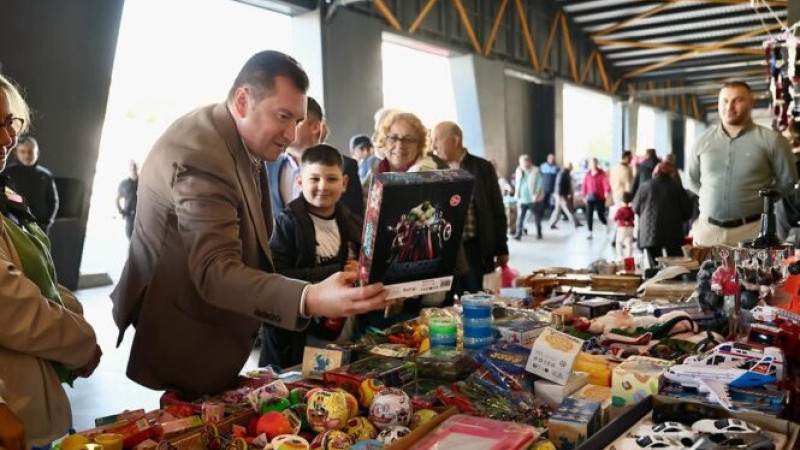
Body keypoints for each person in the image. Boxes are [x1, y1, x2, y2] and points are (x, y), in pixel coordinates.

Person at [111, 50, 387, 397]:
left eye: (297, 121)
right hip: (187, 327)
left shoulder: (235, 136)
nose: (291, 134)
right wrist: (311, 297)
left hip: (223, 325)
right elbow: (215, 270)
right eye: (283, 116)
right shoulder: (201, 155)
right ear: (243, 101)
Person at [0, 74, 101, 449]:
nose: (10, 139)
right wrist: (83, 341)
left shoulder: (5, 194)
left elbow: (34, 277)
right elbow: (16, 309)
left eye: (11, 124)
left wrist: (72, 313)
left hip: (34, 398)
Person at [260, 144, 362, 368]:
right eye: (314, 178)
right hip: (296, 342)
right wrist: (335, 271)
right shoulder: (286, 223)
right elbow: (275, 276)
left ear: (344, 183)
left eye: (331, 179)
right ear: (299, 181)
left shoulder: (354, 224)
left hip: (343, 336)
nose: (323, 186)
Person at [687, 81, 797, 247]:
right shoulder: (702, 141)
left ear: (751, 102)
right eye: (724, 101)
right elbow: (692, 180)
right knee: (703, 274)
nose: (729, 106)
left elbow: (788, 181)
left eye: (737, 100)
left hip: (753, 232)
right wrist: (711, 199)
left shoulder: (772, 141)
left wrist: (763, 199)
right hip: (707, 233)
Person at [430, 121, 509, 295]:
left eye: (437, 139)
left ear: (456, 140)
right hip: (444, 250)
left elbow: (497, 209)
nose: (433, 146)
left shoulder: (482, 168)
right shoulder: (431, 169)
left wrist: (502, 248)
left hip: (474, 250)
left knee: (477, 298)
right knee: (446, 302)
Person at [267, 97, 362, 215]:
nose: (286, 128)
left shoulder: (345, 166)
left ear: (315, 127)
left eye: (296, 122)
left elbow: (354, 220)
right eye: (284, 120)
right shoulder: (268, 165)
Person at [633, 162, 692, 265]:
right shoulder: (677, 187)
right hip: (673, 235)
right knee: (675, 268)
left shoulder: (644, 186)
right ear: (670, 174)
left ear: (654, 173)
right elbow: (687, 211)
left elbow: (635, 208)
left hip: (649, 234)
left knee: (653, 268)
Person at [3, 136, 59, 233]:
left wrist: (47, 222)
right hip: (12, 227)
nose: (27, 155)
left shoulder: (46, 175)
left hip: (39, 228)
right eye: (23, 151)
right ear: (16, 153)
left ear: (37, 153)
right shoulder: (7, 173)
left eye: (30, 151)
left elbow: (53, 202)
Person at [513, 155, 543, 240]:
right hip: (522, 198)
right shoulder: (519, 171)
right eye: (523, 162)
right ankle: (518, 234)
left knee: (536, 217)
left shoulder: (535, 170)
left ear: (530, 162)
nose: (525, 163)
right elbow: (517, 183)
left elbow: (539, 183)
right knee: (520, 217)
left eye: (526, 161)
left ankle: (539, 233)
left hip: (532, 198)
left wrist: (537, 194)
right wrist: (517, 194)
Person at [581, 158, 611, 239]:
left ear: (596, 164)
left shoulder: (601, 173)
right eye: (591, 164)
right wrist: (583, 195)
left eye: (594, 163)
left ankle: (604, 224)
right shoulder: (588, 174)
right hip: (590, 197)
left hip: (600, 197)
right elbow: (584, 185)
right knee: (589, 214)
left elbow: (605, 182)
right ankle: (590, 232)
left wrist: (606, 191)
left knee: (600, 214)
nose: (593, 165)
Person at [548, 162, 582, 229]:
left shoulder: (564, 173)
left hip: (559, 194)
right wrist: (562, 194)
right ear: (568, 167)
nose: (572, 168)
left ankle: (551, 224)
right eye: (571, 166)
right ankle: (576, 223)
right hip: (561, 195)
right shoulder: (563, 173)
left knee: (557, 210)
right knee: (568, 209)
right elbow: (560, 184)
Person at [116, 160, 139, 239]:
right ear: (128, 168)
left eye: (134, 166)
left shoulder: (142, 182)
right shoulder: (124, 183)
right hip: (129, 217)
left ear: (137, 167)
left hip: (141, 216)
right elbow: (117, 200)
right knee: (130, 238)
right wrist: (122, 212)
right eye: (131, 166)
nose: (133, 167)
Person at [613, 192, 635, 260]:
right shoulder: (631, 209)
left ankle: (620, 257)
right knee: (629, 242)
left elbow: (615, 218)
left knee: (619, 242)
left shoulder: (620, 210)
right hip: (630, 227)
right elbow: (633, 218)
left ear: (622, 201)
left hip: (622, 227)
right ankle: (629, 256)